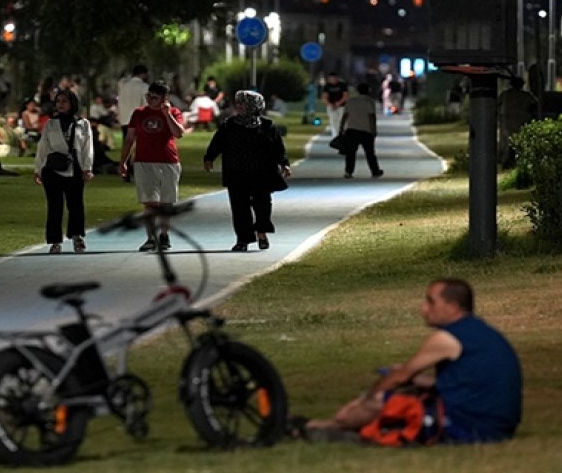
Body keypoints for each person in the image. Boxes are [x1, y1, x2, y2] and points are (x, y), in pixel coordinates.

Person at [299, 278, 522, 445]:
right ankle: (319, 427)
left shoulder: (446, 338)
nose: (423, 309)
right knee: (411, 391)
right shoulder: (480, 331)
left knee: (382, 398)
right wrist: (425, 382)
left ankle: (328, 426)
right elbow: (472, 381)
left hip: (470, 427)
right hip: (499, 425)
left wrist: (360, 402)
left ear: (452, 307)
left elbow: (399, 377)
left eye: (430, 302)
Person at [202, 90, 291, 252]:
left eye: (243, 103)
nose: (239, 106)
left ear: (254, 105)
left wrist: (284, 163)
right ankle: (243, 239)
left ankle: (262, 232)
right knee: (239, 207)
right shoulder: (229, 125)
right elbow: (217, 143)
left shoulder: (267, 125)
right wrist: (209, 158)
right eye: (238, 103)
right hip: (236, 173)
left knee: (262, 205)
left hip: (262, 174)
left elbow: (278, 147)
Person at [120, 80, 185, 252]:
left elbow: (178, 133)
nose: (149, 100)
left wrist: (167, 114)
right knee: (149, 202)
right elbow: (129, 139)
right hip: (143, 162)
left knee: (166, 202)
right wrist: (123, 162)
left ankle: (164, 235)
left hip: (168, 162)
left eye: (154, 97)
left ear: (164, 98)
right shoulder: (139, 113)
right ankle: (150, 237)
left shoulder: (174, 112)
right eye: (148, 96)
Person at [33, 89, 95, 254]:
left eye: (64, 101)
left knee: (76, 205)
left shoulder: (83, 124)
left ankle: (77, 237)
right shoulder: (50, 124)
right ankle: (55, 241)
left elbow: (87, 148)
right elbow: (42, 147)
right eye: (58, 101)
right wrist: (38, 169)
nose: (60, 104)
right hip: (52, 169)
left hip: (75, 169)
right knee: (54, 206)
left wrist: (87, 168)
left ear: (72, 103)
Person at [339, 82, 384, 179]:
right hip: (366, 131)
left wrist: (341, 128)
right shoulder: (369, 102)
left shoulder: (351, 101)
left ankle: (348, 172)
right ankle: (375, 171)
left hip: (351, 130)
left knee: (350, 153)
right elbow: (372, 116)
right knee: (370, 153)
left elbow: (345, 115)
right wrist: (374, 130)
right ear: (368, 91)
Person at [498, 76, 538, 169]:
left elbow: (498, 105)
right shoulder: (526, 96)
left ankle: (506, 162)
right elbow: (535, 105)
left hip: (508, 122)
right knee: (520, 143)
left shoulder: (505, 95)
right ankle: (518, 162)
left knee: (507, 143)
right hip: (522, 122)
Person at [117, 64, 150, 139]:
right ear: (143, 74)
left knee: (128, 146)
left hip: (125, 120)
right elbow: (147, 104)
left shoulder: (123, 87)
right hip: (138, 121)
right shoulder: (144, 86)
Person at [321, 72, 349, 136]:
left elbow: (345, 96)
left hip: (342, 106)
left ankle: (343, 134)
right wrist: (329, 104)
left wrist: (338, 103)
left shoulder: (342, 85)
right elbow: (324, 97)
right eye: (331, 79)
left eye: (334, 78)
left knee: (342, 121)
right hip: (331, 106)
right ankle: (335, 135)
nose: (333, 80)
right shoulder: (327, 86)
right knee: (333, 121)